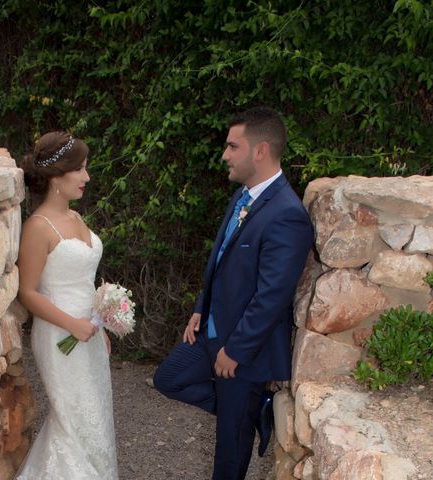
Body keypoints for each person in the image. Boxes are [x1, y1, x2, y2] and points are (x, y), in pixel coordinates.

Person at [153, 107, 313, 480]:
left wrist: (236, 350)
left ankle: (244, 413)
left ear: (260, 150)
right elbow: (223, 262)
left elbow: (272, 295)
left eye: (232, 146)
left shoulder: (287, 214)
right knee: (168, 379)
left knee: (228, 462)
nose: (225, 155)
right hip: (210, 330)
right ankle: (252, 414)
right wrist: (200, 308)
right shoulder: (244, 197)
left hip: (244, 353)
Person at [16, 131, 118, 479]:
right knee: (71, 424)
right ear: (57, 176)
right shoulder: (37, 227)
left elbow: (84, 278)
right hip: (60, 339)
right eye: (81, 169)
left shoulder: (75, 218)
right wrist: (72, 324)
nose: (87, 177)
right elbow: (27, 292)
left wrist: (99, 320)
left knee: (94, 420)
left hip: (89, 334)